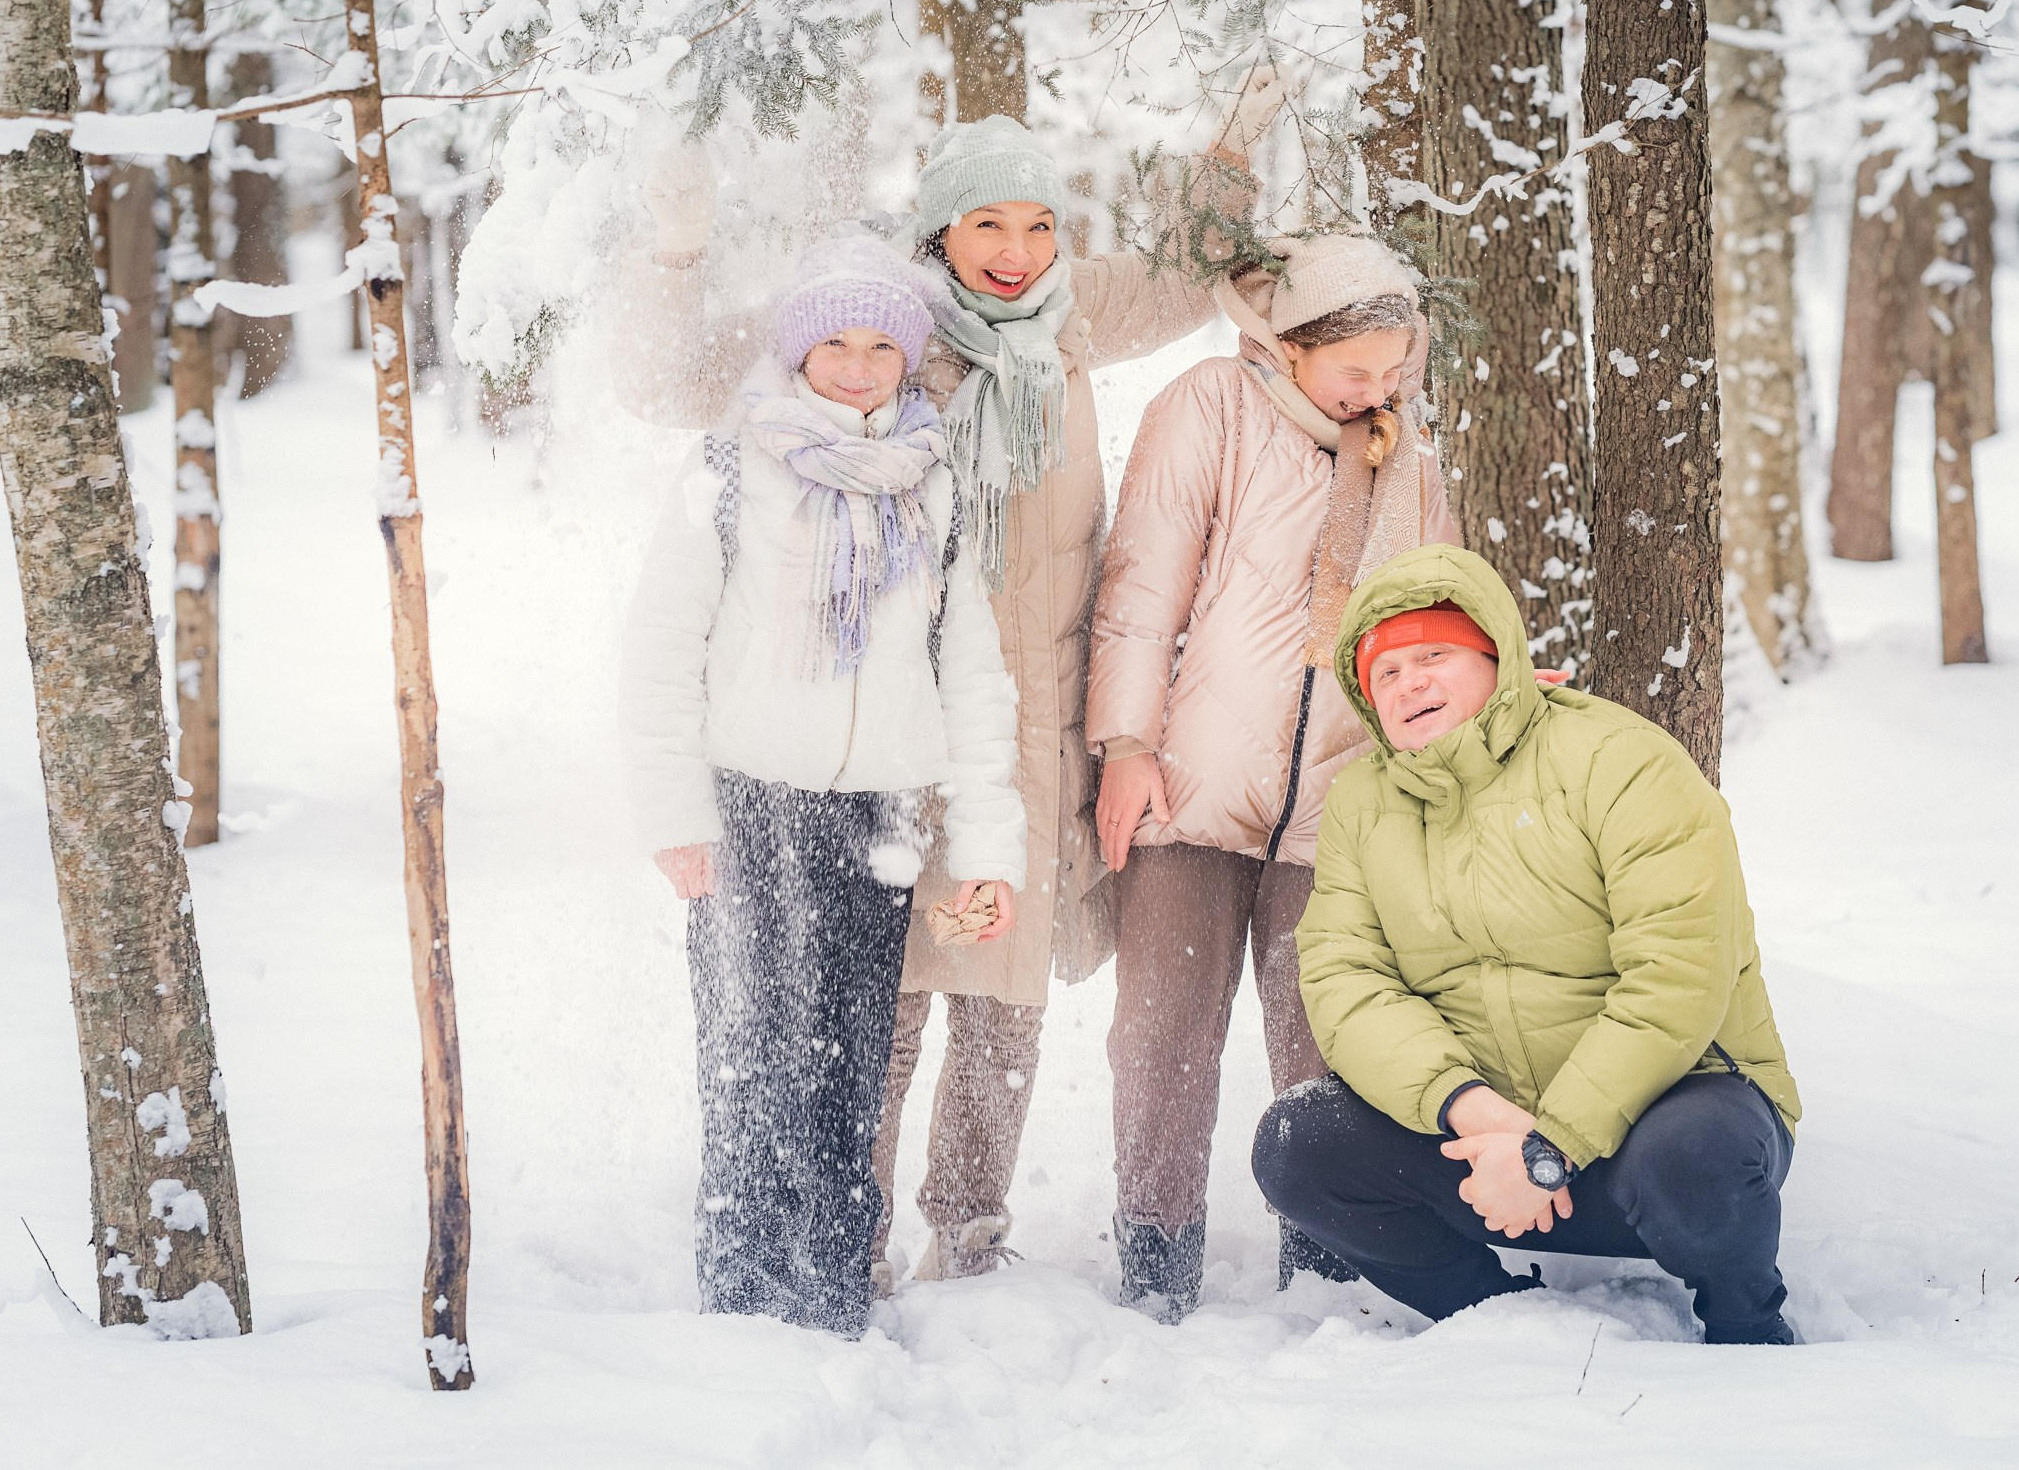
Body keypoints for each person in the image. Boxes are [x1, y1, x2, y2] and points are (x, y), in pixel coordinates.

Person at [611, 73, 1289, 1291]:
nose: (1016, 252)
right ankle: (850, 1234)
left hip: (1046, 708)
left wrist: (1230, 157)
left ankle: (968, 1234)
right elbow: (673, 385)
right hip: (902, 717)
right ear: (939, 233)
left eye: (1037, 224)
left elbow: (1196, 274)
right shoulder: (883, 331)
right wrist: (676, 251)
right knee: (895, 981)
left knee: (1008, 986)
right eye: (987, 225)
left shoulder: (1078, 319)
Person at [617, 236, 1024, 1336]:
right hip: (746, 804)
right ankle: (744, 1304)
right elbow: (662, 647)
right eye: (835, 343)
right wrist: (674, 817)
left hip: (878, 816)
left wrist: (985, 843)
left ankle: (829, 1299)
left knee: (845, 1075)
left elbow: (972, 676)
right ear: (799, 351)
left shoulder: (931, 482)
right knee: (749, 1063)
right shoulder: (729, 469)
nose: (856, 366)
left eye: (881, 345)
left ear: (908, 355)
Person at [1251, 545, 1803, 1346]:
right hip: (1488, 1152)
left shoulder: (1620, 761)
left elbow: (1676, 978)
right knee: (1298, 1143)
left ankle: (1747, 1323)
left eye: (1433, 654)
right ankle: (1498, 1323)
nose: (1411, 684)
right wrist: (1474, 1111)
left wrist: (1550, 1148)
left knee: (1694, 1162)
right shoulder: (1364, 804)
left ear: (1495, 656)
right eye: (1388, 674)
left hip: (1664, 1119)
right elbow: (1348, 982)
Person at [1087, 234, 1458, 1320]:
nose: (1377, 393)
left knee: (1328, 1039)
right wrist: (1123, 746)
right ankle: (1155, 1257)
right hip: (1186, 790)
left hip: (1337, 808)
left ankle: (1330, 1258)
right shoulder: (1209, 404)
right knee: (1161, 1034)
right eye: (1355, 372)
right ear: (1286, 345)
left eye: (1396, 373)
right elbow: (1140, 584)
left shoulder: (1405, 451)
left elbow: (1433, 615)